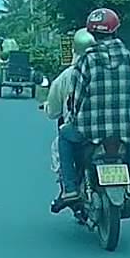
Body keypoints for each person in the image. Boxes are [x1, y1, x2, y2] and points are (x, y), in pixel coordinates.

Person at [54, 8, 130, 207]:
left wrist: (73, 118)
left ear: (91, 33)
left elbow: (76, 98)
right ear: (115, 30)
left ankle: (70, 189)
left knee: (64, 136)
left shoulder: (86, 60)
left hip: (90, 131)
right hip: (124, 129)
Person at [43, 29, 96, 175]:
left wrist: (47, 107)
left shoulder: (69, 75)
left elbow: (53, 112)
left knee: (64, 137)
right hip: (117, 130)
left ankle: (69, 185)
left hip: (83, 130)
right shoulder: (116, 67)